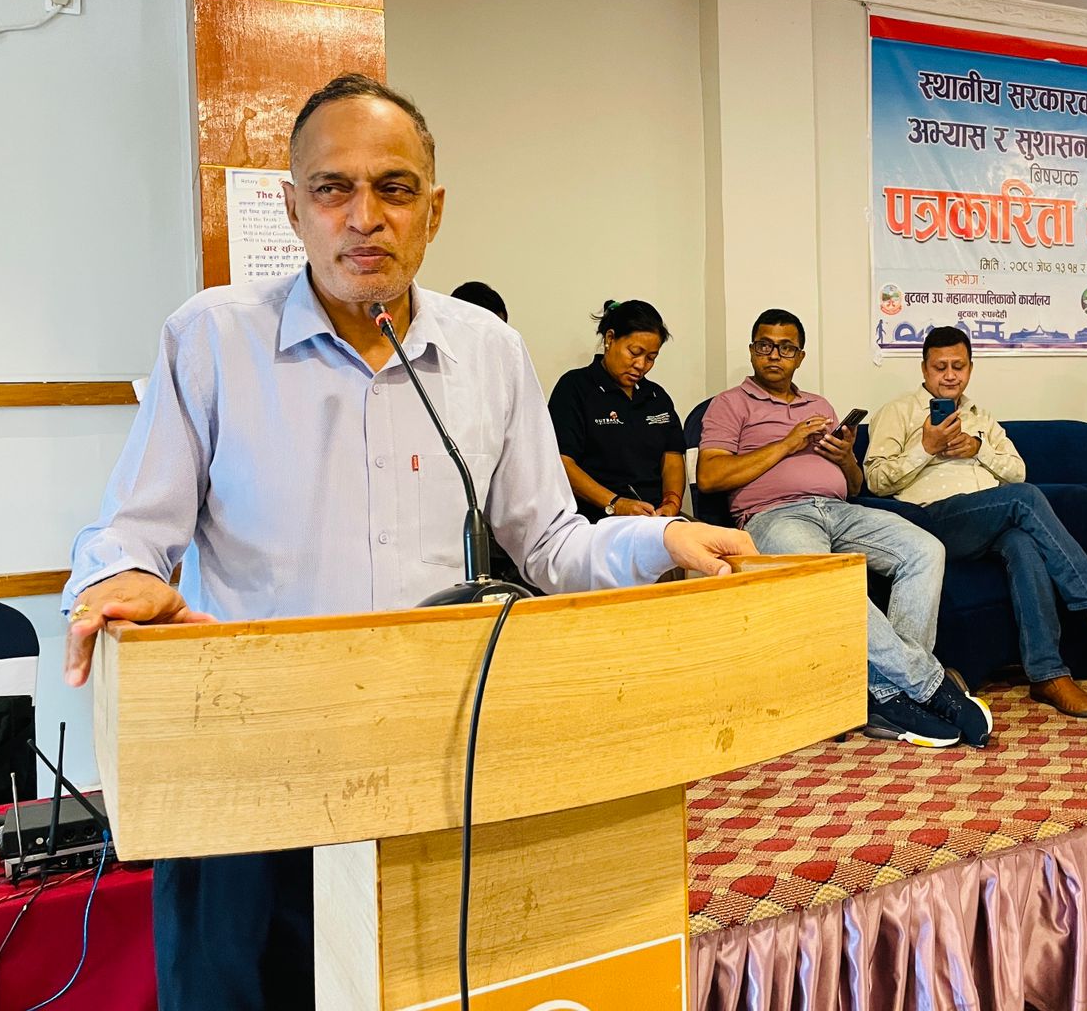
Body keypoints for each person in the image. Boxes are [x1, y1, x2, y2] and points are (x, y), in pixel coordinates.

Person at [58, 73, 753, 1011]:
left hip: (430, 768)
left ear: (434, 210)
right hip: (253, 766)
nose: (364, 217)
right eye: (332, 189)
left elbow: (548, 542)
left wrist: (661, 539)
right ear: (294, 208)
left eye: (393, 188)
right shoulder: (213, 339)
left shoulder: (489, 352)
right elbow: (131, 533)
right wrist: (122, 578)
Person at [696, 309, 993, 750]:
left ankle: (886, 695)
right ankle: (926, 685)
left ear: (800, 356)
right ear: (752, 350)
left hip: (839, 510)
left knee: (925, 549)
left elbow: (854, 486)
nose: (774, 355)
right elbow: (709, 477)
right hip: (775, 516)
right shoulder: (729, 404)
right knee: (832, 576)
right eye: (765, 345)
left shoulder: (819, 405)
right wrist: (787, 443)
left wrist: (845, 458)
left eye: (786, 348)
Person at [864, 327, 1087, 719]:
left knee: (1022, 543)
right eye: (940, 367)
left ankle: (1048, 674)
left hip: (986, 517)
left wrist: (979, 450)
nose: (950, 375)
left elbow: (1017, 471)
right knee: (1024, 500)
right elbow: (876, 480)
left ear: (970, 368)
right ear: (924, 370)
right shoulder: (898, 412)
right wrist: (926, 448)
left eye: (958, 366)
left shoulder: (980, 417)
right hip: (933, 520)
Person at [548, 299, 686, 522]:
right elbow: (562, 463)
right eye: (634, 352)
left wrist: (672, 502)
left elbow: (672, 457)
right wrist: (615, 504)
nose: (641, 365)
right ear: (610, 339)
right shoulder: (575, 388)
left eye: (651, 358)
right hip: (596, 519)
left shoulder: (656, 396)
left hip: (653, 519)